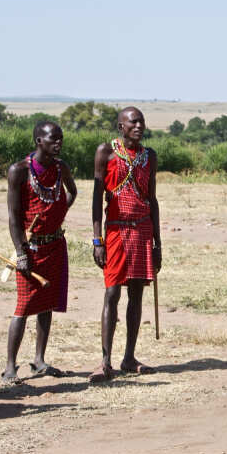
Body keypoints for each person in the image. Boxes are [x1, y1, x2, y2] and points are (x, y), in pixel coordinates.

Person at [1, 121, 77, 384]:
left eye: (60, 138)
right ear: (38, 141)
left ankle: (39, 361)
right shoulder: (19, 171)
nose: (58, 142)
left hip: (55, 245)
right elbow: (13, 217)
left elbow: (72, 191)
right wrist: (21, 253)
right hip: (30, 249)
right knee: (23, 305)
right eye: (53, 138)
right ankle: (10, 367)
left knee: (47, 303)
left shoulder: (60, 167)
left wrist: (57, 214)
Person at [89, 107, 161, 383]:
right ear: (121, 127)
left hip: (142, 229)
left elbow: (152, 199)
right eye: (133, 122)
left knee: (136, 294)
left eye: (142, 121)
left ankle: (129, 358)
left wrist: (157, 243)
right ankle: (105, 361)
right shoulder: (105, 152)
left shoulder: (149, 156)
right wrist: (97, 240)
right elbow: (97, 198)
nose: (139, 126)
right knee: (111, 293)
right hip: (116, 230)